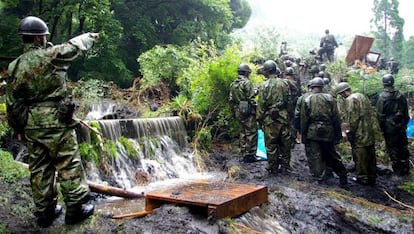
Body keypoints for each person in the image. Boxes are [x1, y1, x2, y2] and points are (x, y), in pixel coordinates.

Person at [5, 16, 98, 227]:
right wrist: (90, 37)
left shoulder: (14, 66)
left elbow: (13, 103)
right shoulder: (51, 55)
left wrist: (18, 128)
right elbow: (73, 47)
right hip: (56, 120)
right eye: (44, 37)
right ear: (38, 38)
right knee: (67, 161)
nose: (46, 40)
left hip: (31, 123)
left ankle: (45, 213)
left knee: (39, 167)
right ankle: (75, 208)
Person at [299, 77, 348, 186]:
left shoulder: (308, 100)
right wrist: (338, 134)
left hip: (313, 131)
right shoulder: (330, 98)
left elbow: (304, 119)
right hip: (328, 130)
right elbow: (336, 118)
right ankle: (342, 175)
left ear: (311, 87)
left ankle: (320, 178)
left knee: (315, 155)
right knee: (332, 154)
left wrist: (304, 134)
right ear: (322, 87)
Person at [336, 82, 377, 185]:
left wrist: (349, 132)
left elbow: (352, 119)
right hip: (369, 131)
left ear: (345, 91)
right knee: (371, 155)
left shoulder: (350, 99)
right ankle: (372, 176)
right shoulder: (362, 96)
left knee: (360, 156)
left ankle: (362, 178)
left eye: (341, 94)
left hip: (360, 133)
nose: (342, 96)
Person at [257, 60, 292, 174]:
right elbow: (289, 101)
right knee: (285, 143)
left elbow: (261, 104)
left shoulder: (263, 86)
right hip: (283, 117)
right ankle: (285, 165)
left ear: (267, 71)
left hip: (269, 119)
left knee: (271, 144)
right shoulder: (284, 83)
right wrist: (289, 115)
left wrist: (259, 119)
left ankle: (272, 166)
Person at [376, 74, 410, 176]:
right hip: (401, 126)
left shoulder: (382, 97)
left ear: (384, 83)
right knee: (403, 147)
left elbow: (380, 115)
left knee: (393, 149)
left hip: (389, 128)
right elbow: (406, 112)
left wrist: (382, 129)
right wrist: (404, 124)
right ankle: (405, 169)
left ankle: (398, 172)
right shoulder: (401, 95)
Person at [229, 63, 258, 163]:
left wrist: (234, 111)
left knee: (242, 132)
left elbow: (231, 99)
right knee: (251, 132)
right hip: (248, 110)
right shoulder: (247, 82)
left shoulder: (233, 84)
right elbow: (251, 98)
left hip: (238, 110)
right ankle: (250, 155)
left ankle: (243, 152)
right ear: (246, 73)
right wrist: (257, 108)